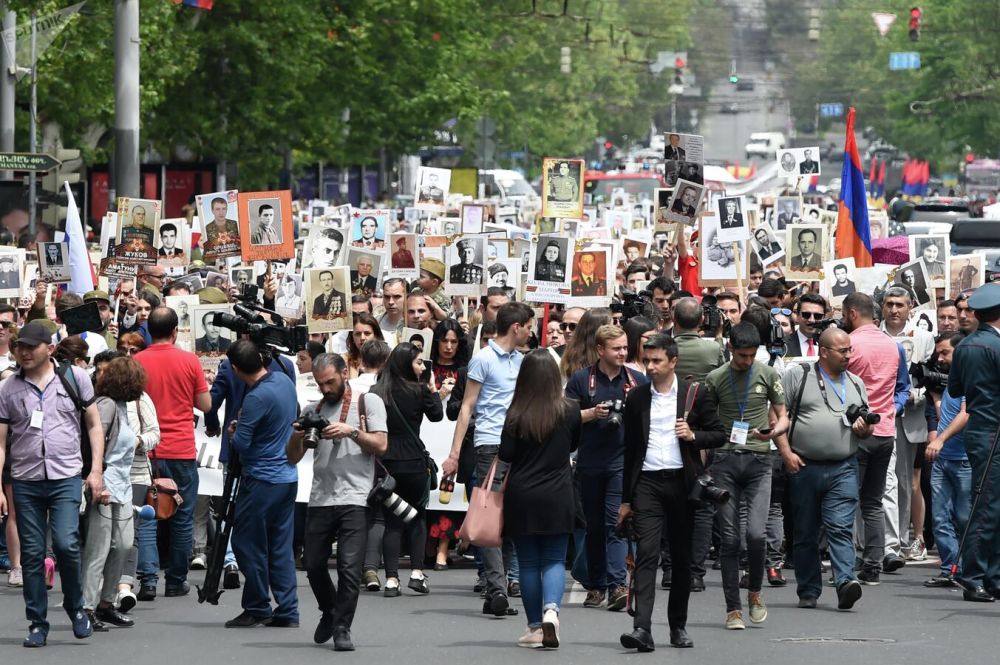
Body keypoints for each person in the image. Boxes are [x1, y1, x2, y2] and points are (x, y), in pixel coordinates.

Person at [617, 334, 727, 652]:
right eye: (647, 361)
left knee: (680, 558)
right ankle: (642, 628)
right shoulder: (637, 398)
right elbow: (630, 452)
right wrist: (626, 500)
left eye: (657, 361)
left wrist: (693, 435)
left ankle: (678, 626)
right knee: (647, 554)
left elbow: (718, 434)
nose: (650, 367)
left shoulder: (696, 393)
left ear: (673, 362)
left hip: (682, 483)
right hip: (647, 484)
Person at [0, 321, 106, 647]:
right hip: (26, 480)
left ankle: (76, 608)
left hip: (65, 477)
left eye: (32, 346)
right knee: (32, 555)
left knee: (66, 544)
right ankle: (37, 623)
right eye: (20, 346)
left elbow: (94, 426)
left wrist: (96, 470)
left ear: (51, 348)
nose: (24, 352)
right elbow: (1, 442)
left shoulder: (75, 378)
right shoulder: (8, 389)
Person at [288, 353, 388, 650]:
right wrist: (297, 434)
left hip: (355, 495)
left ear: (345, 372)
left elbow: (382, 445)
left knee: (349, 567)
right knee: (314, 564)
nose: (326, 389)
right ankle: (330, 611)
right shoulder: (313, 408)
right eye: (320, 384)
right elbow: (292, 457)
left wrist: (352, 431)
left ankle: (343, 627)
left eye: (331, 381)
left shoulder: (368, 403)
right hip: (320, 496)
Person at [442, 302, 535, 617]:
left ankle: (501, 585)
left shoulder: (524, 362)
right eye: (529, 326)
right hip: (490, 446)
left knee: (509, 518)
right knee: (490, 515)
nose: (532, 332)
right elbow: (467, 406)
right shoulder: (482, 358)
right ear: (516, 327)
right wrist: (455, 454)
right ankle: (496, 589)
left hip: (519, 446)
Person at [777, 328, 874, 610]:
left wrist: (864, 429)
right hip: (804, 465)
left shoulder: (855, 383)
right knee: (805, 531)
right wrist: (786, 453)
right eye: (842, 351)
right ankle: (808, 590)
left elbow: (866, 430)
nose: (848, 355)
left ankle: (845, 582)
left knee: (840, 526)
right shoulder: (800, 375)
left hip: (843, 466)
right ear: (824, 352)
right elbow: (779, 414)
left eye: (849, 350)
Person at [704, 322, 789, 630]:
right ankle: (732, 609)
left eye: (752, 355)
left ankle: (755, 590)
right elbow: (705, 422)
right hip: (725, 461)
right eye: (742, 355)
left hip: (759, 462)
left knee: (755, 534)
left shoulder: (768, 374)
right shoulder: (714, 379)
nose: (747, 361)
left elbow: (783, 416)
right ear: (730, 349)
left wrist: (774, 432)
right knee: (729, 539)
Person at [498, 350, 581, 649]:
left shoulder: (516, 413)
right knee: (555, 559)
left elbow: (505, 454)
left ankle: (534, 626)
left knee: (529, 563)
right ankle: (552, 610)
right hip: (559, 491)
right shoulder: (570, 410)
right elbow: (574, 444)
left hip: (522, 493)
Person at [565, 326, 649, 611]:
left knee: (615, 524)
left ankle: (617, 585)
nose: (623, 353)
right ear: (600, 350)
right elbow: (565, 417)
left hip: (621, 463)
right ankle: (596, 585)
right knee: (593, 527)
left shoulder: (636, 380)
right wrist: (591, 413)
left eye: (625, 348)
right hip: (589, 462)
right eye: (617, 348)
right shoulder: (580, 379)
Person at [133, 308, 212, 601]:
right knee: (182, 515)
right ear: (175, 330)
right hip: (180, 449)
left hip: (148, 450)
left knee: (146, 515)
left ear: (148, 330)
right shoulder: (189, 361)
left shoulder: (137, 362)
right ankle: (176, 580)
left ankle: (149, 580)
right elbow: (205, 405)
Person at [221, 340, 299, 627]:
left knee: (247, 543)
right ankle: (288, 609)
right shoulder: (282, 380)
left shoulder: (256, 398)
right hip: (287, 478)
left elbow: (241, 443)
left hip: (262, 480)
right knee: (279, 546)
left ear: (236, 369)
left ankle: (257, 605)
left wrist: (234, 431)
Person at [843, 292, 908, 585]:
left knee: (845, 499)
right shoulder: (894, 346)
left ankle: (845, 566)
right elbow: (900, 387)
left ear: (853, 314)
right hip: (884, 433)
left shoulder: (849, 345)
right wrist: (892, 409)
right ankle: (872, 565)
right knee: (872, 502)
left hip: (855, 432)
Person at [82, 357, 149, 631]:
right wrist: (97, 480)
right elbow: (94, 445)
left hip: (122, 483)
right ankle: (86, 607)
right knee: (99, 548)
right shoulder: (107, 405)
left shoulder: (120, 405)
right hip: (105, 483)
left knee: (123, 544)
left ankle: (106, 603)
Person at [371, 343, 443, 597]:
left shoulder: (376, 391)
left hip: (385, 465)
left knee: (392, 522)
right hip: (413, 462)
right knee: (417, 518)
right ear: (405, 364)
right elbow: (436, 415)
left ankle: (391, 579)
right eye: (419, 362)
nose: (422, 367)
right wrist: (432, 388)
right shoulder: (418, 390)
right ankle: (416, 573)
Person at [947, 282, 1000, 602]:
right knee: (987, 506)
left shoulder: (965, 345)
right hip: (994, 432)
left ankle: (991, 575)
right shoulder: (994, 347)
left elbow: (954, 390)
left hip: (980, 429)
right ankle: (974, 575)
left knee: (991, 505)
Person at [881, 286, 934, 567]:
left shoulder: (924, 338)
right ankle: (874, 538)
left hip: (909, 414)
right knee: (877, 479)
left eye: (900, 304)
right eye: (889, 304)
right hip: (878, 414)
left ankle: (900, 538)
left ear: (910, 306)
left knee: (903, 480)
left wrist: (916, 395)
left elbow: (932, 379)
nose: (894, 309)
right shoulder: (874, 334)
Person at [923, 333, 968, 589]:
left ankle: (968, 570)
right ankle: (950, 568)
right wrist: (936, 398)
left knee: (964, 517)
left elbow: (966, 414)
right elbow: (947, 415)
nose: (939, 358)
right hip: (942, 458)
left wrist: (939, 440)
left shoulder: (971, 378)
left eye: (944, 353)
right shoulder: (950, 381)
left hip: (964, 459)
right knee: (940, 518)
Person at [672, 298, 725, 382]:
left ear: (674, 319)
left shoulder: (664, 348)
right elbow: (723, 373)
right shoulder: (714, 348)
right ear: (702, 320)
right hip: (704, 394)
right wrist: (719, 335)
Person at [784, 294, 828, 358]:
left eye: (817, 316)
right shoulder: (784, 345)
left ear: (824, 317)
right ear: (797, 315)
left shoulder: (829, 345)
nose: (812, 320)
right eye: (806, 315)